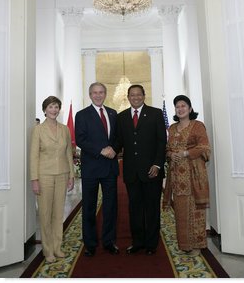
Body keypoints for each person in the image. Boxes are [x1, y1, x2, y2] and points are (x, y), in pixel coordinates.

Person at [113, 84, 167, 255]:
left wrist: (158, 164)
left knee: (151, 209)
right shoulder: (121, 117)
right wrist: (108, 149)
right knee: (134, 209)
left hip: (152, 171)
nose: (135, 97)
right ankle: (137, 242)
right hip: (131, 172)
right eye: (132, 95)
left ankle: (151, 244)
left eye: (138, 94)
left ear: (144, 96)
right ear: (127, 97)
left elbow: (161, 141)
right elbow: (118, 141)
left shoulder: (156, 113)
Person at [75, 82, 119, 257]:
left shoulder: (113, 113)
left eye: (101, 92)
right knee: (89, 207)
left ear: (106, 93)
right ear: (90, 94)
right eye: (95, 92)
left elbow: (118, 137)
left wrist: (114, 149)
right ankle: (90, 244)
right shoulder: (82, 115)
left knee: (110, 207)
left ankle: (109, 242)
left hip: (109, 167)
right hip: (91, 167)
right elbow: (80, 139)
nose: (98, 95)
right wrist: (101, 150)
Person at [162, 95, 211, 257]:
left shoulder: (197, 126)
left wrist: (185, 153)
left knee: (196, 211)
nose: (180, 108)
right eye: (177, 106)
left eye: (183, 106)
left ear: (190, 109)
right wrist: (171, 155)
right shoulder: (172, 128)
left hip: (194, 176)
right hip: (177, 177)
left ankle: (197, 245)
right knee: (181, 211)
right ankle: (185, 244)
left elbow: (204, 147)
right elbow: (167, 149)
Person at [30, 96, 75, 263]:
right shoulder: (38, 130)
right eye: (50, 107)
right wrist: (34, 179)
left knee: (58, 213)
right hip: (44, 176)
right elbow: (34, 156)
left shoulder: (65, 129)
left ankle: (57, 247)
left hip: (62, 174)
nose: (54, 110)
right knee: (45, 213)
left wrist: (71, 174)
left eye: (56, 107)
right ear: (45, 110)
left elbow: (68, 154)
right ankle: (47, 250)